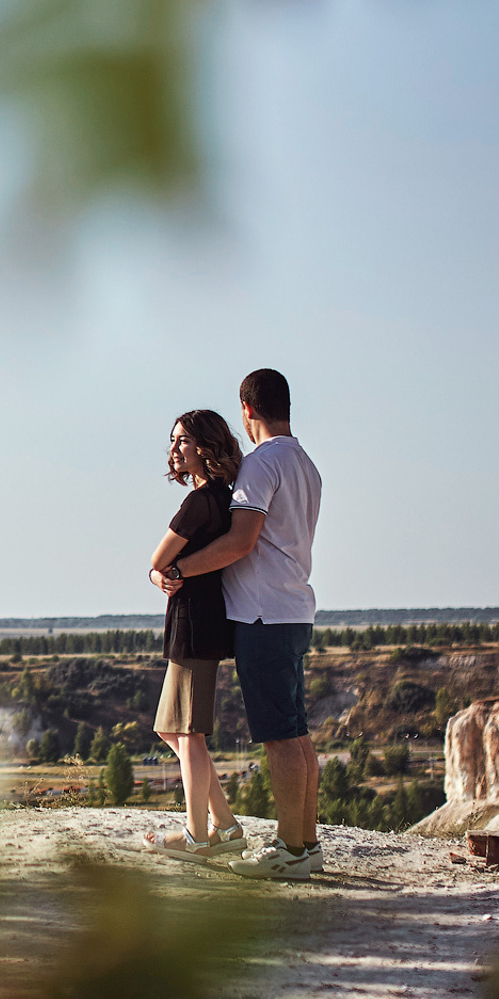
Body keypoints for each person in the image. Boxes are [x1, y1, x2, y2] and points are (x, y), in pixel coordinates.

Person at [159, 368, 323, 881]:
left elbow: (241, 541)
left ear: (246, 409)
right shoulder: (306, 464)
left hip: (262, 615)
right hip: (295, 610)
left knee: (279, 738)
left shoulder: (261, 466)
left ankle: (290, 850)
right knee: (296, 734)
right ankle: (306, 843)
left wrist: (178, 570)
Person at [141, 409, 244, 863]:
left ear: (204, 445)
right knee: (172, 729)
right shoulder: (221, 499)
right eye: (172, 440)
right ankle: (225, 825)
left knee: (189, 733)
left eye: (182, 440)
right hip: (199, 619)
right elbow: (159, 568)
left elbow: (159, 557)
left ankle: (198, 837)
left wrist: (155, 572)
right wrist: (157, 574)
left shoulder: (201, 502)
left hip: (195, 623)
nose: (175, 448)